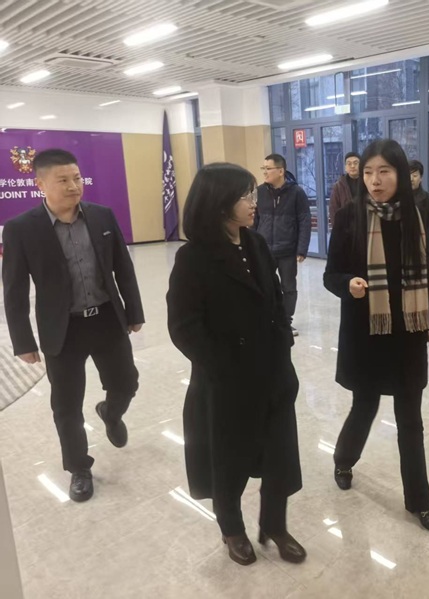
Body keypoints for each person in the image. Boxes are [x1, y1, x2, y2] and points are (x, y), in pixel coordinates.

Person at [167, 162, 306, 567]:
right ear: (219, 202)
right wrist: (223, 368)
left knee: (279, 457)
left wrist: (283, 352)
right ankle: (232, 529)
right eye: (245, 196)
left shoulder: (256, 243)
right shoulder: (193, 258)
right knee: (228, 462)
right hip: (224, 382)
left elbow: (276, 304)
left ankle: (275, 525)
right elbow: (183, 327)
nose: (253, 202)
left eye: (252, 193)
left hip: (271, 372)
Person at [2, 148, 143, 503]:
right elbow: (14, 289)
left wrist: (134, 311)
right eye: (63, 180)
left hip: (107, 319)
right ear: (40, 184)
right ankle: (79, 467)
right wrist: (23, 341)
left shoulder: (102, 216)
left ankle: (111, 412)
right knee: (66, 405)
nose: (73, 186)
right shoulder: (21, 229)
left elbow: (123, 268)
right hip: (62, 329)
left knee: (126, 382)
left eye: (77, 178)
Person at [324, 139, 429, 534]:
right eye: (369, 172)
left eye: (384, 172)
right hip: (367, 332)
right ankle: (343, 461)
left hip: (407, 332)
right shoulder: (349, 217)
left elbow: (426, 277)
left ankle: (420, 502)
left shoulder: (414, 216)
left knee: (411, 419)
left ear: (400, 175)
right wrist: (349, 284)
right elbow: (331, 275)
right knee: (365, 405)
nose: (375, 181)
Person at [254, 154, 311, 336]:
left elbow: (304, 221)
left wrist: (302, 249)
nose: (264, 172)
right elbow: (254, 221)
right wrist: (252, 245)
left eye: (268, 168)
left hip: (287, 250)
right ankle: (269, 319)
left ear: (280, 171)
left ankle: (286, 321)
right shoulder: (259, 192)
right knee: (265, 286)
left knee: (288, 287)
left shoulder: (297, 193)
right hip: (265, 250)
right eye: (263, 168)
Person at [409, 160, 429, 262]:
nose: (411, 179)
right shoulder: (399, 198)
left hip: (424, 244)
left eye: (415, 175)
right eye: (408, 175)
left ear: (421, 178)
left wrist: (422, 241)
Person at [329, 151, 360, 227]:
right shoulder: (338, 186)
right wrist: (337, 230)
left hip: (365, 227)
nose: (352, 166)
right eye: (349, 163)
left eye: (356, 163)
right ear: (345, 168)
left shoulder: (368, 183)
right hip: (346, 228)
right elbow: (333, 210)